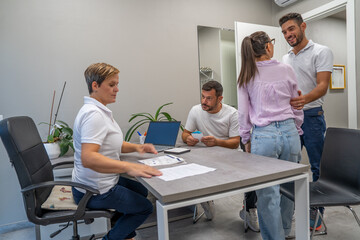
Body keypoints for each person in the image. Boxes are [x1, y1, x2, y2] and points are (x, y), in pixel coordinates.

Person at [71, 63, 162, 240]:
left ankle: (125, 234)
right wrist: (127, 166)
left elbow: (111, 144)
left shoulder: (99, 111)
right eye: (112, 85)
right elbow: (88, 158)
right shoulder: (94, 115)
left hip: (97, 182)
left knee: (141, 190)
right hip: (94, 190)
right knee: (145, 207)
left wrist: (137, 147)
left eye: (117, 84)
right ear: (95, 86)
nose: (117, 89)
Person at [237, 31, 303, 239]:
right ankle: (285, 231)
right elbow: (296, 103)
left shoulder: (246, 74)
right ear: (268, 47)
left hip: (263, 137)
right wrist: (297, 129)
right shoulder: (287, 69)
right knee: (289, 188)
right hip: (289, 132)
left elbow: (243, 112)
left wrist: (246, 138)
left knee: (267, 194)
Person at [279, 12, 333, 231]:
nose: (288, 34)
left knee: (317, 166)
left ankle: (316, 213)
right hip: (290, 120)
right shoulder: (285, 58)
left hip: (311, 117)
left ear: (303, 26)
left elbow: (322, 85)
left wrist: (303, 100)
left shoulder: (321, 51)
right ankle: (288, 210)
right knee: (287, 166)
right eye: (284, 32)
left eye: (291, 29)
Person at [182, 80, 259, 232]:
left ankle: (250, 209)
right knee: (188, 168)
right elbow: (185, 133)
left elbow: (235, 143)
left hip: (230, 156)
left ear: (219, 98)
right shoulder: (196, 110)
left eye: (209, 98)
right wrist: (187, 139)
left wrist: (217, 142)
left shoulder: (232, 114)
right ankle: (206, 198)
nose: (204, 101)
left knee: (253, 174)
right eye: (203, 97)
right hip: (206, 155)